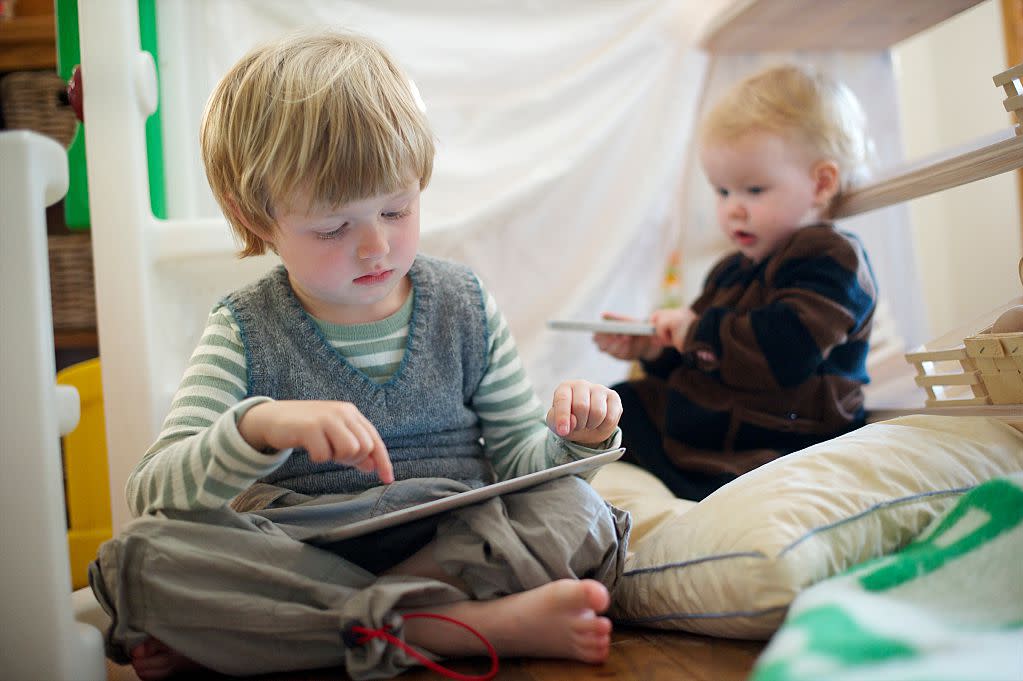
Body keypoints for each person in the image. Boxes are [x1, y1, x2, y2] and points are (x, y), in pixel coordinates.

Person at [88, 30, 630, 681]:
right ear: (254, 216)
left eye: (397, 209)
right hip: (307, 549)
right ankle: (459, 630)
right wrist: (259, 426)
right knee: (142, 558)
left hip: (451, 539)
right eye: (333, 227)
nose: (376, 247)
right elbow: (154, 489)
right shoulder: (244, 328)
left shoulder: (464, 304)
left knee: (578, 512)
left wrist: (579, 437)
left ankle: (304, 633)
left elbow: (523, 463)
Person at [595, 64, 877, 501]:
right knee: (619, 402)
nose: (733, 210)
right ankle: (549, 467)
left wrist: (694, 331)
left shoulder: (831, 257)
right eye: (723, 192)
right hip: (735, 417)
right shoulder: (732, 269)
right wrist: (656, 346)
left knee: (631, 414)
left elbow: (783, 351)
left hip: (787, 434)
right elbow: (709, 363)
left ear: (821, 184)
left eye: (754, 190)